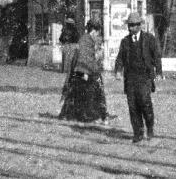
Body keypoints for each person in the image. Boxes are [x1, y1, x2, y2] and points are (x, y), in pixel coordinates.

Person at [114, 12, 162, 143]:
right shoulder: (125, 41)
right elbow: (120, 58)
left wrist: (158, 72)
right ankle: (138, 132)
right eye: (129, 26)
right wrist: (118, 71)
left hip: (145, 77)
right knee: (133, 106)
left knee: (145, 103)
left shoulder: (149, 39)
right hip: (130, 79)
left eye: (134, 26)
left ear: (140, 25)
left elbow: (156, 56)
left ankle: (150, 127)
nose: (131, 29)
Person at [59, 19, 108, 123]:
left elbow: (90, 58)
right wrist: (85, 72)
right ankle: (95, 115)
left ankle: (72, 114)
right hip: (82, 71)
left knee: (77, 91)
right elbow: (83, 58)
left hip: (83, 70)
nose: (97, 36)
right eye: (97, 33)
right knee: (94, 88)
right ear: (94, 31)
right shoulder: (86, 40)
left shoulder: (87, 39)